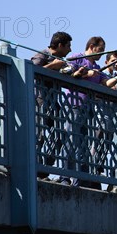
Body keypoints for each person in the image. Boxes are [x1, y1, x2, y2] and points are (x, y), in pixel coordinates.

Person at [61, 36, 117, 187]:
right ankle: (65, 177)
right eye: (100, 50)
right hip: (74, 105)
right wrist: (86, 74)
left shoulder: (97, 68)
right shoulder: (77, 58)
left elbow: (105, 82)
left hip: (88, 110)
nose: (101, 54)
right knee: (70, 140)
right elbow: (65, 72)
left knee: (83, 144)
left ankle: (81, 179)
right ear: (92, 47)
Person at [31, 32, 73, 179]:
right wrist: (52, 65)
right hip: (39, 101)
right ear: (60, 45)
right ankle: (36, 170)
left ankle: (45, 167)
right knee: (39, 137)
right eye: (68, 46)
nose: (70, 50)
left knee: (60, 137)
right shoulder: (42, 55)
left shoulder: (61, 59)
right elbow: (31, 71)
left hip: (53, 103)